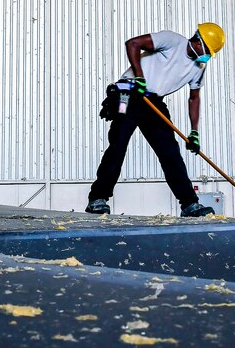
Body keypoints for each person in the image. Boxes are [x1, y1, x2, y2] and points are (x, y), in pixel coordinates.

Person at [86, 23, 225, 218]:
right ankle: (97, 200)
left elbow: (194, 98)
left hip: (154, 101)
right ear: (198, 40)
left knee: (170, 152)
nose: (207, 56)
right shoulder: (172, 40)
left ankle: (190, 205)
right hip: (130, 92)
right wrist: (140, 78)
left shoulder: (199, 67)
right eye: (208, 51)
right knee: (118, 144)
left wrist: (194, 132)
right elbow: (132, 44)